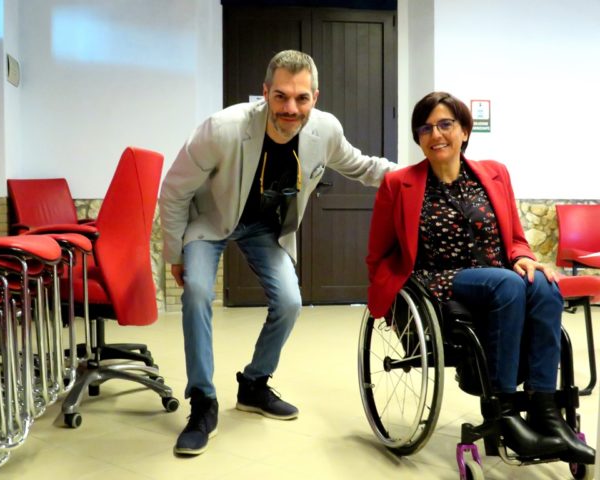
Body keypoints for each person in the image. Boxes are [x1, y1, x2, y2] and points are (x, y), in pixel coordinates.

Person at [160, 50, 397, 456]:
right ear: (265, 92)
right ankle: (202, 402)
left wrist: (416, 175)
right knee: (197, 293)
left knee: (289, 302)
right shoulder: (222, 129)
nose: (291, 108)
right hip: (212, 221)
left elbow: (362, 167)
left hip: (264, 228)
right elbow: (174, 190)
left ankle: (254, 384)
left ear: (315, 97)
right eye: (281, 96)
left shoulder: (325, 131)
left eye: (301, 98)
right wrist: (175, 254)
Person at [366, 91, 595, 464]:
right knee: (508, 284)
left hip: (498, 276)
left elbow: (515, 238)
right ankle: (503, 411)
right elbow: (378, 254)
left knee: (544, 285)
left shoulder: (494, 173)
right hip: (439, 280)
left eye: (445, 124)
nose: (436, 134)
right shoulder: (399, 184)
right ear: (418, 137)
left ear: (465, 131)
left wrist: (524, 257)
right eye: (425, 128)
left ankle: (544, 409)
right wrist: (391, 306)